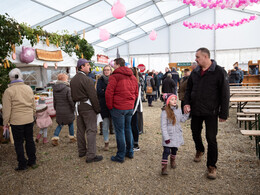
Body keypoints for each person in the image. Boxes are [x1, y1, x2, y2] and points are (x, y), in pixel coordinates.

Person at [184, 48, 229, 180]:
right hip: (196, 110)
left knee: (211, 138)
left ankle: (211, 166)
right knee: (195, 132)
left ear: (205, 56)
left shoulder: (219, 72)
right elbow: (188, 90)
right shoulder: (195, 72)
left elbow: (225, 94)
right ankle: (200, 149)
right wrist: (186, 103)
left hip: (211, 111)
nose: (196, 59)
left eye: (197, 57)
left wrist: (223, 113)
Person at [2, 68, 36, 171]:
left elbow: (6, 109)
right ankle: (32, 161)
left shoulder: (8, 91)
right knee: (30, 140)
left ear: (10, 78)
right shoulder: (28, 88)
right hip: (29, 119)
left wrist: (5, 123)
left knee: (18, 142)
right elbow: (33, 104)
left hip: (16, 121)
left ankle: (22, 164)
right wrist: (34, 114)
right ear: (20, 76)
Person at [105, 58, 138, 163]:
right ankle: (130, 152)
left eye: (114, 64)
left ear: (118, 64)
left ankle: (120, 155)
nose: (113, 66)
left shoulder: (115, 76)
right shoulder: (132, 77)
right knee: (128, 129)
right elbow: (136, 92)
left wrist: (110, 106)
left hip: (118, 107)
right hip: (129, 107)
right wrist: (131, 103)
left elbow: (109, 93)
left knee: (120, 131)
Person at [70, 58, 103, 163]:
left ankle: (82, 151)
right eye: (87, 65)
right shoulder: (87, 79)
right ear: (82, 67)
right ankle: (91, 155)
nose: (89, 67)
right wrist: (97, 109)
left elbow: (72, 96)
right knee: (91, 130)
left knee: (80, 130)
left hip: (78, 107)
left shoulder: (73, 79)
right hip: (87, 107)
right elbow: (93, 96)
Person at [160, 93, 189, 175]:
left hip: (176, 135)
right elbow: (163, 126)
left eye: (175, 99)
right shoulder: (164, 112)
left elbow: (182, 119)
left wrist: (187, 114)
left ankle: (172, 161)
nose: (175, 101)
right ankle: (164, 167)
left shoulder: (178, 110)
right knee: (166, 151)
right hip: (168, 136)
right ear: (168, 102)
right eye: (172, 99)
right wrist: (166, 138)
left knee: (174, 149)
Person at [51, 73, 76, 146]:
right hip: (67, 109)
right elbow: (70, 99)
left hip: (59, 109)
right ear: (64, 79)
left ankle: (55, 137)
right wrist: (73, 107)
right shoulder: (67, 88)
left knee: (60, 124)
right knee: (70, 123)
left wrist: (56, 108)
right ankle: (72, 137)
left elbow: (54, 100)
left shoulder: (55, 89)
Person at [96, 65, 113, 151]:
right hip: (104, 105)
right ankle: (106, 142)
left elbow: (114, 91)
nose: (106, 71)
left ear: (111, 70)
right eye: (105, 70)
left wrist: (104, 90)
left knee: (115, 124)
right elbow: (99, 91)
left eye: (108, 70)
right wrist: (108, 91)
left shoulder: (113, 79)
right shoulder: (100, 80)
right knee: (105, 125)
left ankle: (119, 142)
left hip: (113, 105)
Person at [131, 67, 143, 151]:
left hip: (134, 107)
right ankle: (133, 143)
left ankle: (135, 144)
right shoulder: (135, 82)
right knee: (132, 125)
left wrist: (134, 109)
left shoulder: (136, 83)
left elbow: (137, 97)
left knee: (134, 125)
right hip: (133, 107)